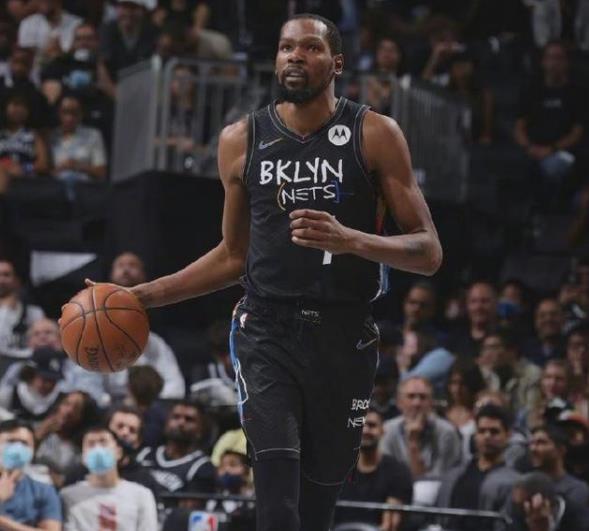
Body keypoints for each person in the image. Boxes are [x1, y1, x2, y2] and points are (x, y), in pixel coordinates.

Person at [90, 12, 442, 531]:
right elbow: (233, 256)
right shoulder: (241, 138)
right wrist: (141, 296)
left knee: (316, 510)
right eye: (285, 47)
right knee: (276, 499)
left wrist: (353, 240)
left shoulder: (375, 133)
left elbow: (429, 251)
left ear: (337, 63)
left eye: (310, 48)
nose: (295, 56)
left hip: (345, 335)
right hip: (267, 330)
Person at [110, 252, 185, 399]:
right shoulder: (95, 336)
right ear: (111, 275)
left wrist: (148, 406)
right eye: (120, 265)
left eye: (132, 265)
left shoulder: (155, 343)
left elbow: (175, 387)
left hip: (149, 404)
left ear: (144, 276)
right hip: (111, 405)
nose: (126, 269)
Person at [436, 405, 520, 530]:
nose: (487, 436)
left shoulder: (514, 482)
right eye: (481, 431)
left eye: (494, 432)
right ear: (475, 435)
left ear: (508, 435)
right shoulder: (453, 475)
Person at [61, 426, 158, 530]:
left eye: (103, 442)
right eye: (91, 444)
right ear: (83, 456)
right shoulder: (67, 496)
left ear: (118, 452)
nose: (97, 449)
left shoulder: (141, 495)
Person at [334, 408, 413, 531]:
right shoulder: (338, 470)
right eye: (360, 425)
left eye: (372, 425)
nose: (365, 430)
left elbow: (390, 525)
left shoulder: (398, 472)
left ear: (382, 431)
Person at [380, 377, 461, 479]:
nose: (417, 403)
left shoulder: (447, 432)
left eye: (423, 397)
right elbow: (386, 475)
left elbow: (438, 479)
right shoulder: (387, 430)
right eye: (411, 396)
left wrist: (413, 443)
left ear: (431, 402)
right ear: (399, 402)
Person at [136, 400, 216, 494]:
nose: (181, 423)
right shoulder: (145, 454)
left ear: (200, 429)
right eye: (176, 417)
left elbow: (191, 503)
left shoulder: (202, 466)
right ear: (166, 423)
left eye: (189, 419)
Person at [0, 419, 62, 530]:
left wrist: (2, 521)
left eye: (24, 443)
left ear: (33, 451)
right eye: (11, 441)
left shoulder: (43, 491)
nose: (18, 448)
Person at [49, 94, 107, 182]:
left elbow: (101, 172)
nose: (69, 118)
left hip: (84, 186)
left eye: (74, 113)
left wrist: (78, 166)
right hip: (56, 186)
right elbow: (45, 171)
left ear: (81, 114)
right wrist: (61, 168)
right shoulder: (51, 136)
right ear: (58, 113)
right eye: (65, 112)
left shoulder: (93, 135)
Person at [528, 424, 589, 507]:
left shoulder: (576, 489)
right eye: (531, 443)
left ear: (561, 450)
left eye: (541, 443)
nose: (533, 448)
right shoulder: (524, 485)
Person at [0, 259, 44, 363]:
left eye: (6, 275)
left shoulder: (34, 313)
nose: (1, 280)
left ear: (17, 281)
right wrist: (5, 309)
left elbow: (42, 346)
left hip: (26, 365)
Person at [446, 281, 498, 358]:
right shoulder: (454, 339)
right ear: (467, 305)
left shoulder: (506, 338)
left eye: (484, 301)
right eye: (473, 301)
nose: (478, 307)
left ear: (495, 304)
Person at [523, 298, 566, 367]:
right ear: (536, 321)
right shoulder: (525, 349)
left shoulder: (570, 348)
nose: (548, 319)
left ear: (563, 319)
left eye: (554, 314)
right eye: (542, 315)